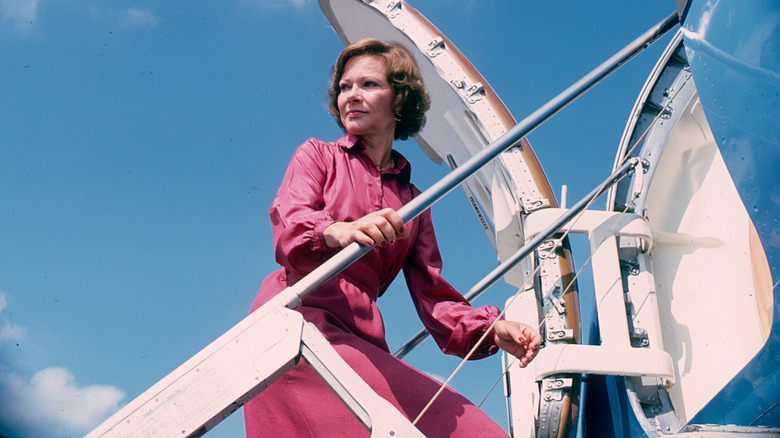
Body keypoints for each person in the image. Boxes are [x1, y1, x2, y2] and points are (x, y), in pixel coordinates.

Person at [244, 38, 542, 438]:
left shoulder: (414, 203)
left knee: (476, 431)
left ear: (399, 100)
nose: (351, 96)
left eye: (368, 85)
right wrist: (339, 230)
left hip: (361, 339)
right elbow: (290, 223)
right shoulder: (317, 155)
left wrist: (492, 330)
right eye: (344, 87)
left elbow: (434, 296)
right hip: (299, 323)